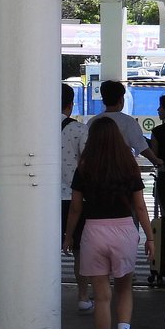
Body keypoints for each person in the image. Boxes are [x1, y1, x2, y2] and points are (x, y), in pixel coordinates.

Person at [64, 116, 154, 329]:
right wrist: (150, 236)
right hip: (124, 229)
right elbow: (140, 206)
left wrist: (69, 236)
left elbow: (75, 208)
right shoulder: (129, 165)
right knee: (125, 288)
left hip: (94, 231)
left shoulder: (85, 167)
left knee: (102, 296)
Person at [60, 84, 92, 314]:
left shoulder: (36, 128)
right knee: (79, 248)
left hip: (42, 200)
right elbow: (87, 164)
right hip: (74, 197)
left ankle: (40, 290)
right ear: (70, 106)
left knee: (43, 247)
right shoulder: (80, 130)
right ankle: (82, 295)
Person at [96, 80, 162, 169]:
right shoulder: (129, 122)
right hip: (122, 170)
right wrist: (156, 160)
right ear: (121, 100)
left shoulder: (93, 122)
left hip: (97, 169)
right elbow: (141, 146)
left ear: (103, 100)